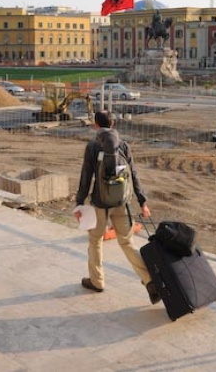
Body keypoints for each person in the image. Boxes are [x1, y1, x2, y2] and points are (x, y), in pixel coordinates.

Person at [75, 111, 160, 305]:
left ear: (96, 125)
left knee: (95, 240)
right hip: (122, 203)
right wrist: (143, 202)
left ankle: (97, 281)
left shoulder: (93, 146)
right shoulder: (123, 145)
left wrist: (79, 203)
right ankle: (150, 280)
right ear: (113, 124)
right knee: (127, 242)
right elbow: (134, 174)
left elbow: (86, 177)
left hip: (100, 204)